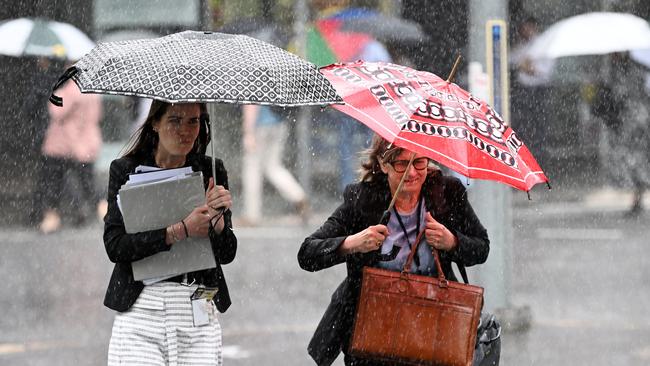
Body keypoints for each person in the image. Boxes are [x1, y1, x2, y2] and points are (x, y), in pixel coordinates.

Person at [298, 134, 490, 365]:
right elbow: (307, 254)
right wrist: (352, 243)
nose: (412, 173)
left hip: (434, 324)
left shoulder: (446, 193)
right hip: (373, 326)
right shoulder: (362, 200)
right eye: (401, 164)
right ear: (383, 164)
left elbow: (481, 248)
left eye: (419, 162)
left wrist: (452, 242)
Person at [103, 101, 237, 365]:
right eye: (175, 120)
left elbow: (228, 253)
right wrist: (179, 231)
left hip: (197, 302)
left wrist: (218, 222)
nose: (185, 131)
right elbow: (115, 246)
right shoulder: (125, 170)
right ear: (155, 122)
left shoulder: (211, 170)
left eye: (193, 122)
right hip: (141, 305)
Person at [37, 71, 105, 233]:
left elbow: (56, 111)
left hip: (64, 144)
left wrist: (57, 92)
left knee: (53, 183)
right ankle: (105, 211)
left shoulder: (71, 90)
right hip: (86, 144)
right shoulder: (93, 92)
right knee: (88, 182)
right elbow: (98, 115)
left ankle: (52, 219)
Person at [593, 52, 650, 217]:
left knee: (634, 158)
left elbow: (622, 92)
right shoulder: (626, 68)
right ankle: (637, 197)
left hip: (634, 121)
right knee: (635, 159)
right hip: (632, 119)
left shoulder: (630, 69)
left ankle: (637, 196)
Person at [241, 104, 309, 225]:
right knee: (273, 167)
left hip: (259, 126)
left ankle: (252, 215)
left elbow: (251, 104)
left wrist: (248, 132)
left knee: (252, 168)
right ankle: (298, 196)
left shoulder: (251, 85)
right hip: (278, 123)